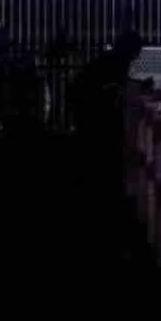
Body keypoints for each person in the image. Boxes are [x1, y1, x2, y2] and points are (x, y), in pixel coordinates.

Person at [69, 30, 144, 206]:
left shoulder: (110, 60)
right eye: (137, 50)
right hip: (96, 114)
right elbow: (116, 87)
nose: (138, 55)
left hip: (90, 112)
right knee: (104, 153)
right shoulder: (117, 62)